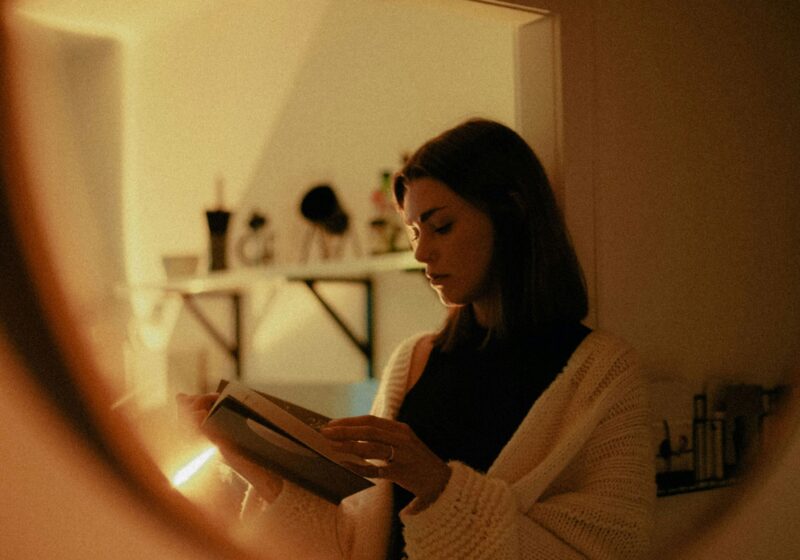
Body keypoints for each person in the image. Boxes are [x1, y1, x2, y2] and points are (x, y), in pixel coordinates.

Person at [180, 118, 655, 559]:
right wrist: (255, 458)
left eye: (441, 226)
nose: (423, 252)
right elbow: (362, 535)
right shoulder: (414, 361)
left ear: (511, 211)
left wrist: (437, 486)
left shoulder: (602, 372)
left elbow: (615, 546)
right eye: (413, 232)